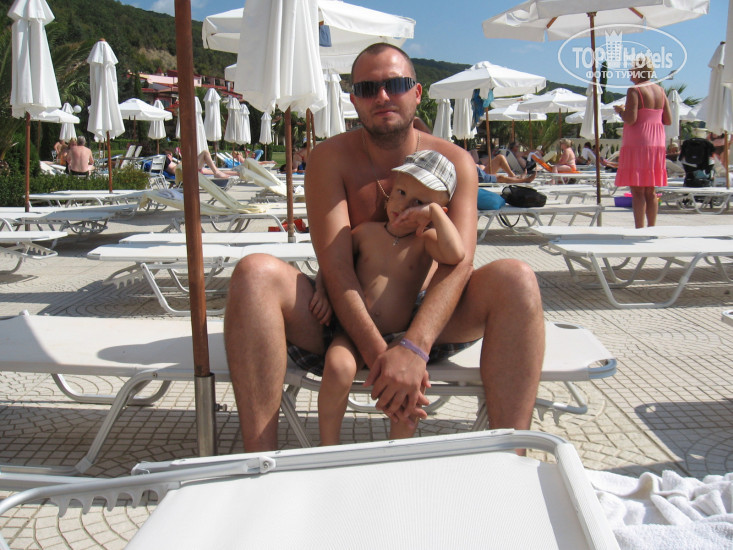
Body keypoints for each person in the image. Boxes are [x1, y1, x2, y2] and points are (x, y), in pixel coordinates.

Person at [224, 43, 544, 452]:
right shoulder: (329, 159)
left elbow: (459, 265)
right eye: (367, 88)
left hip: (431, 317)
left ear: (417, 92)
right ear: (353, 98)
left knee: (517, 278)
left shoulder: (455, 162)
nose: (382, 96)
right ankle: (260, 463)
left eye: (395, 84)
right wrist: (383, 358)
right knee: (254, 273)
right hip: (345, 315)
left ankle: (513, 459)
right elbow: (337, 268)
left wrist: (414, 348)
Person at [311, 150, 465, 445]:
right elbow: (332, 266)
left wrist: (434, 215)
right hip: (353, 331)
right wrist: (321, 290)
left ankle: (399, 450)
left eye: (419, 203)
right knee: (338, 367)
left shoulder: (425, 242)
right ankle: (328, 444)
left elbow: (456, 254)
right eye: (401, 193)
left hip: (399, 339)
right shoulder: (364, 233)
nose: (404, 205)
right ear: (389, 194)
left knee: (411, 382)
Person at [613, 55, 671, 228]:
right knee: (651, 190)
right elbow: (668, 120)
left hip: (638, 142)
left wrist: (620, 111)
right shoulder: (660, 91)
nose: (629, 72)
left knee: (637, 190)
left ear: (638, 72)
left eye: (632, 69)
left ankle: (639, 228)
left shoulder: (634, 90)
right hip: (657, 142)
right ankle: (651, 227)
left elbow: (630, 119)